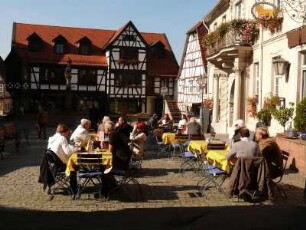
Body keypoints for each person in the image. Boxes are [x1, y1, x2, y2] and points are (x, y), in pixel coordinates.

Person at [47, 123, 79, 195]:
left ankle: (51, 187)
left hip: (52, 165)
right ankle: (74, 188)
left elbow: (63, 148)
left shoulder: (52, 138)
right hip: (60, 164)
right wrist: (77, 149)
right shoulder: (62, 138)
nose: (68, 134)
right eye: (68, 132)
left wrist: (71, 147)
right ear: (64, 131)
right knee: (73, 166)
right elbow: (67, 152)